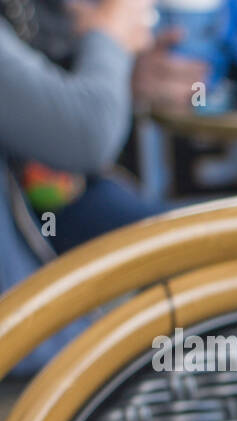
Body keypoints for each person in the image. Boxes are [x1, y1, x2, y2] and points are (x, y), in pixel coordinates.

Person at [0, 0, 154, 376]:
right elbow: (84, 130)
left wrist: (114, 70)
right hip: (25, 356)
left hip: (51, 217)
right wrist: (110, 35)